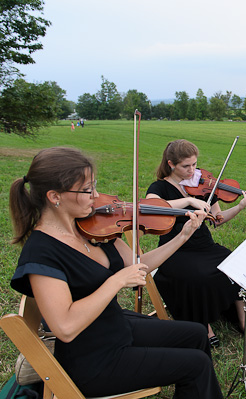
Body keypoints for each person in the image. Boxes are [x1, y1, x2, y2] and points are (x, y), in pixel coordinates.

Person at [8, 147, 223, 398]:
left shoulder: (92, 227)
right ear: (55, 196)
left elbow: (139, 263)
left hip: (115, 327)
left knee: (197, 334)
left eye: (94, 186)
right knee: (197, 365)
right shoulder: (42, 253)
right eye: (87, 190)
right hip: (94, 360)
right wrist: (117, 280)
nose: (96, 195)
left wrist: (182, 237)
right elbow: (65, 326)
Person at [146, 139, 246, 347]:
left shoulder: (203, 184)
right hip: (175, 248)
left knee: (236, 265)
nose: (192, 171)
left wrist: (241, 206)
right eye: (186, 166)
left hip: (204, 245)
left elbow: (218, 219)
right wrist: (188, 201)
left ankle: (244, 321)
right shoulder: (160, 187)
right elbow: (151, 207)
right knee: (198, 276)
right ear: (171, 164)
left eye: (194, 164)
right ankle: (204, 325)